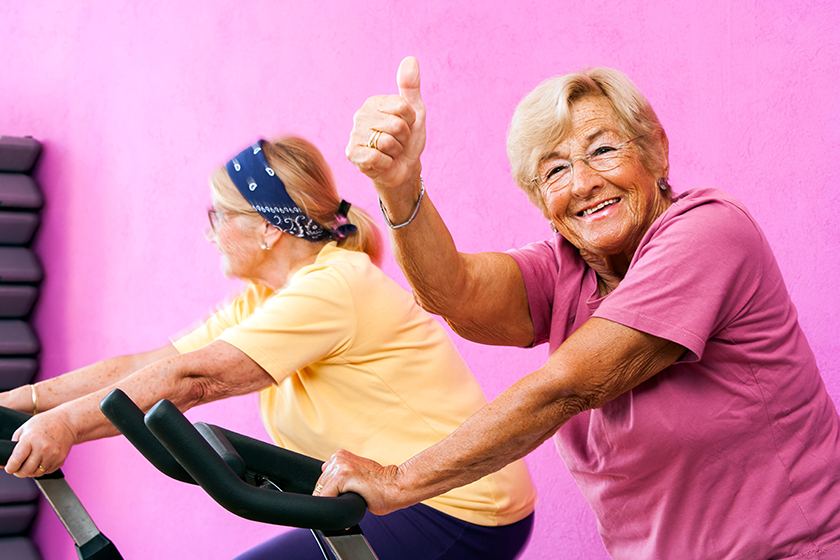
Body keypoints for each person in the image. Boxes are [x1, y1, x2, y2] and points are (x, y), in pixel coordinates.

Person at [315, 57, 840, 559]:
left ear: (655, 150)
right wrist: (399, 186)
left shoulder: (710, 232)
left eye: (604, 149)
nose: (584, 182)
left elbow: (568, 386)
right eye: (555, 170)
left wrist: (399, 480)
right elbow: (453, 293)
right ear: (540, 200)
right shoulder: (568, 268)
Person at [0, 136, 536, 560]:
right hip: (384, 501)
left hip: (459, 508)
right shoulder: (266, 298)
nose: (210, 234)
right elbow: (150, 365)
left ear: (266, 228)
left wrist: (65, 426)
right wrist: (23, 402)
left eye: (219, 216)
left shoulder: (333, 286)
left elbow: (193, 380)